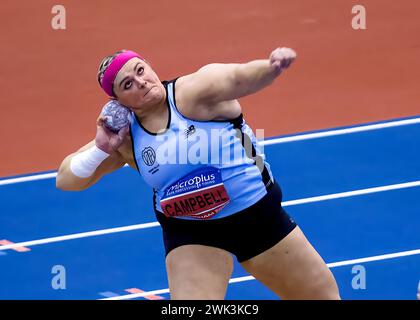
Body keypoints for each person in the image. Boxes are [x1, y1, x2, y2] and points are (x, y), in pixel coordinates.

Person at [56, 47, 341, 300]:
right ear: (119, 101)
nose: (141, 82)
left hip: (256, 219)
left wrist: (270, 67)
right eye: (128, 84)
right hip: (191, 233)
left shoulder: (192, 94)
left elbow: (237, 78)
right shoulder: (126, 138)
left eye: (140, 71)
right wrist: (100, 148)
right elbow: (66, 180)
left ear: (149, 65)